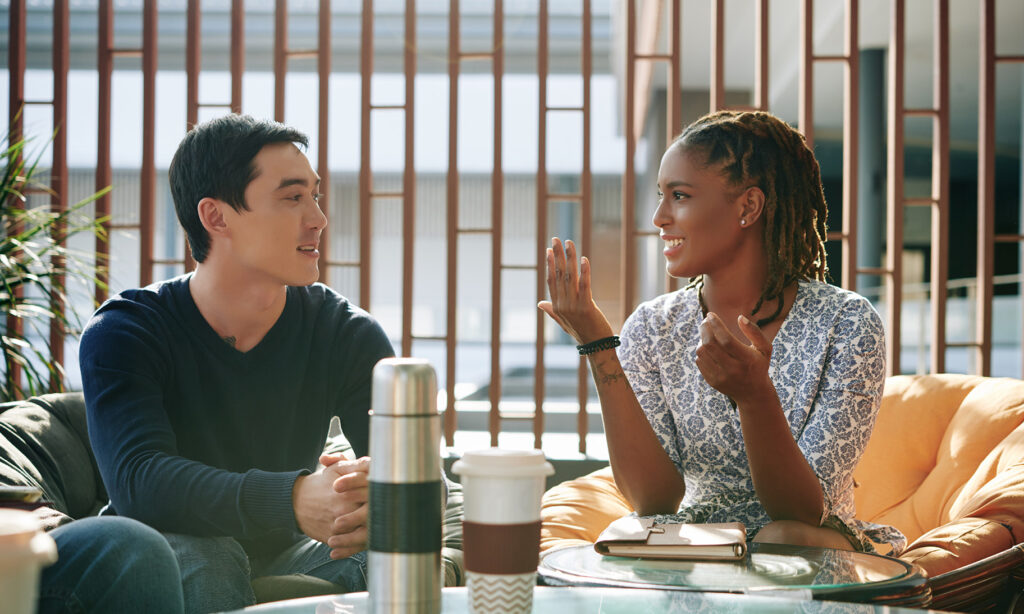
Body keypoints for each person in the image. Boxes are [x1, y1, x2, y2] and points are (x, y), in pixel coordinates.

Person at [539, 110, 905, 553]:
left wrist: (754, 396)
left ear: (747, 206)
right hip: (698, 550)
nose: (658, 217)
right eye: (660, 195)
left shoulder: (847, 325)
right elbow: (653, 500)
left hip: (811, 551)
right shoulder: (654, 327)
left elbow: (801, 511)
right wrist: (599, 346)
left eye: (679, 196)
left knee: (780, 539)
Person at [79, 114, 398, 613]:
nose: (318, 218)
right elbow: (140, 480)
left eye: (315, 196)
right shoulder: (126, 330)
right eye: (293, 197)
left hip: (296, 553)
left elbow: (416, 480)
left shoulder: (345, 332)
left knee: (391, 554)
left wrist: (370, 498)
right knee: (210, 555)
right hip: (162, 554)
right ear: (217, 217)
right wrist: (293, 499)